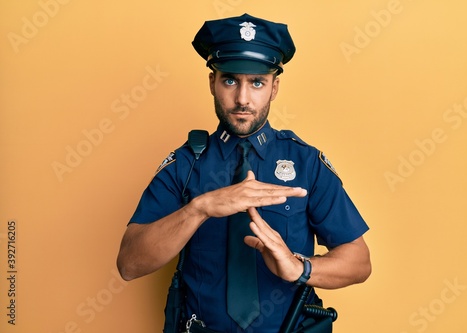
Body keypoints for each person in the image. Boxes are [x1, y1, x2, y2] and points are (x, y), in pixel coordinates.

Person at [117, 13, 371, 333]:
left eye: (257, 83)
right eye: (229, 80)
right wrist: (201, 207)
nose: (242, 98)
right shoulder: (185, 164)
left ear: (274, 87)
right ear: (212, 82)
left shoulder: (307, 163)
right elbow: (129, 263)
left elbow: (359, 261)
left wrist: (299, 268)